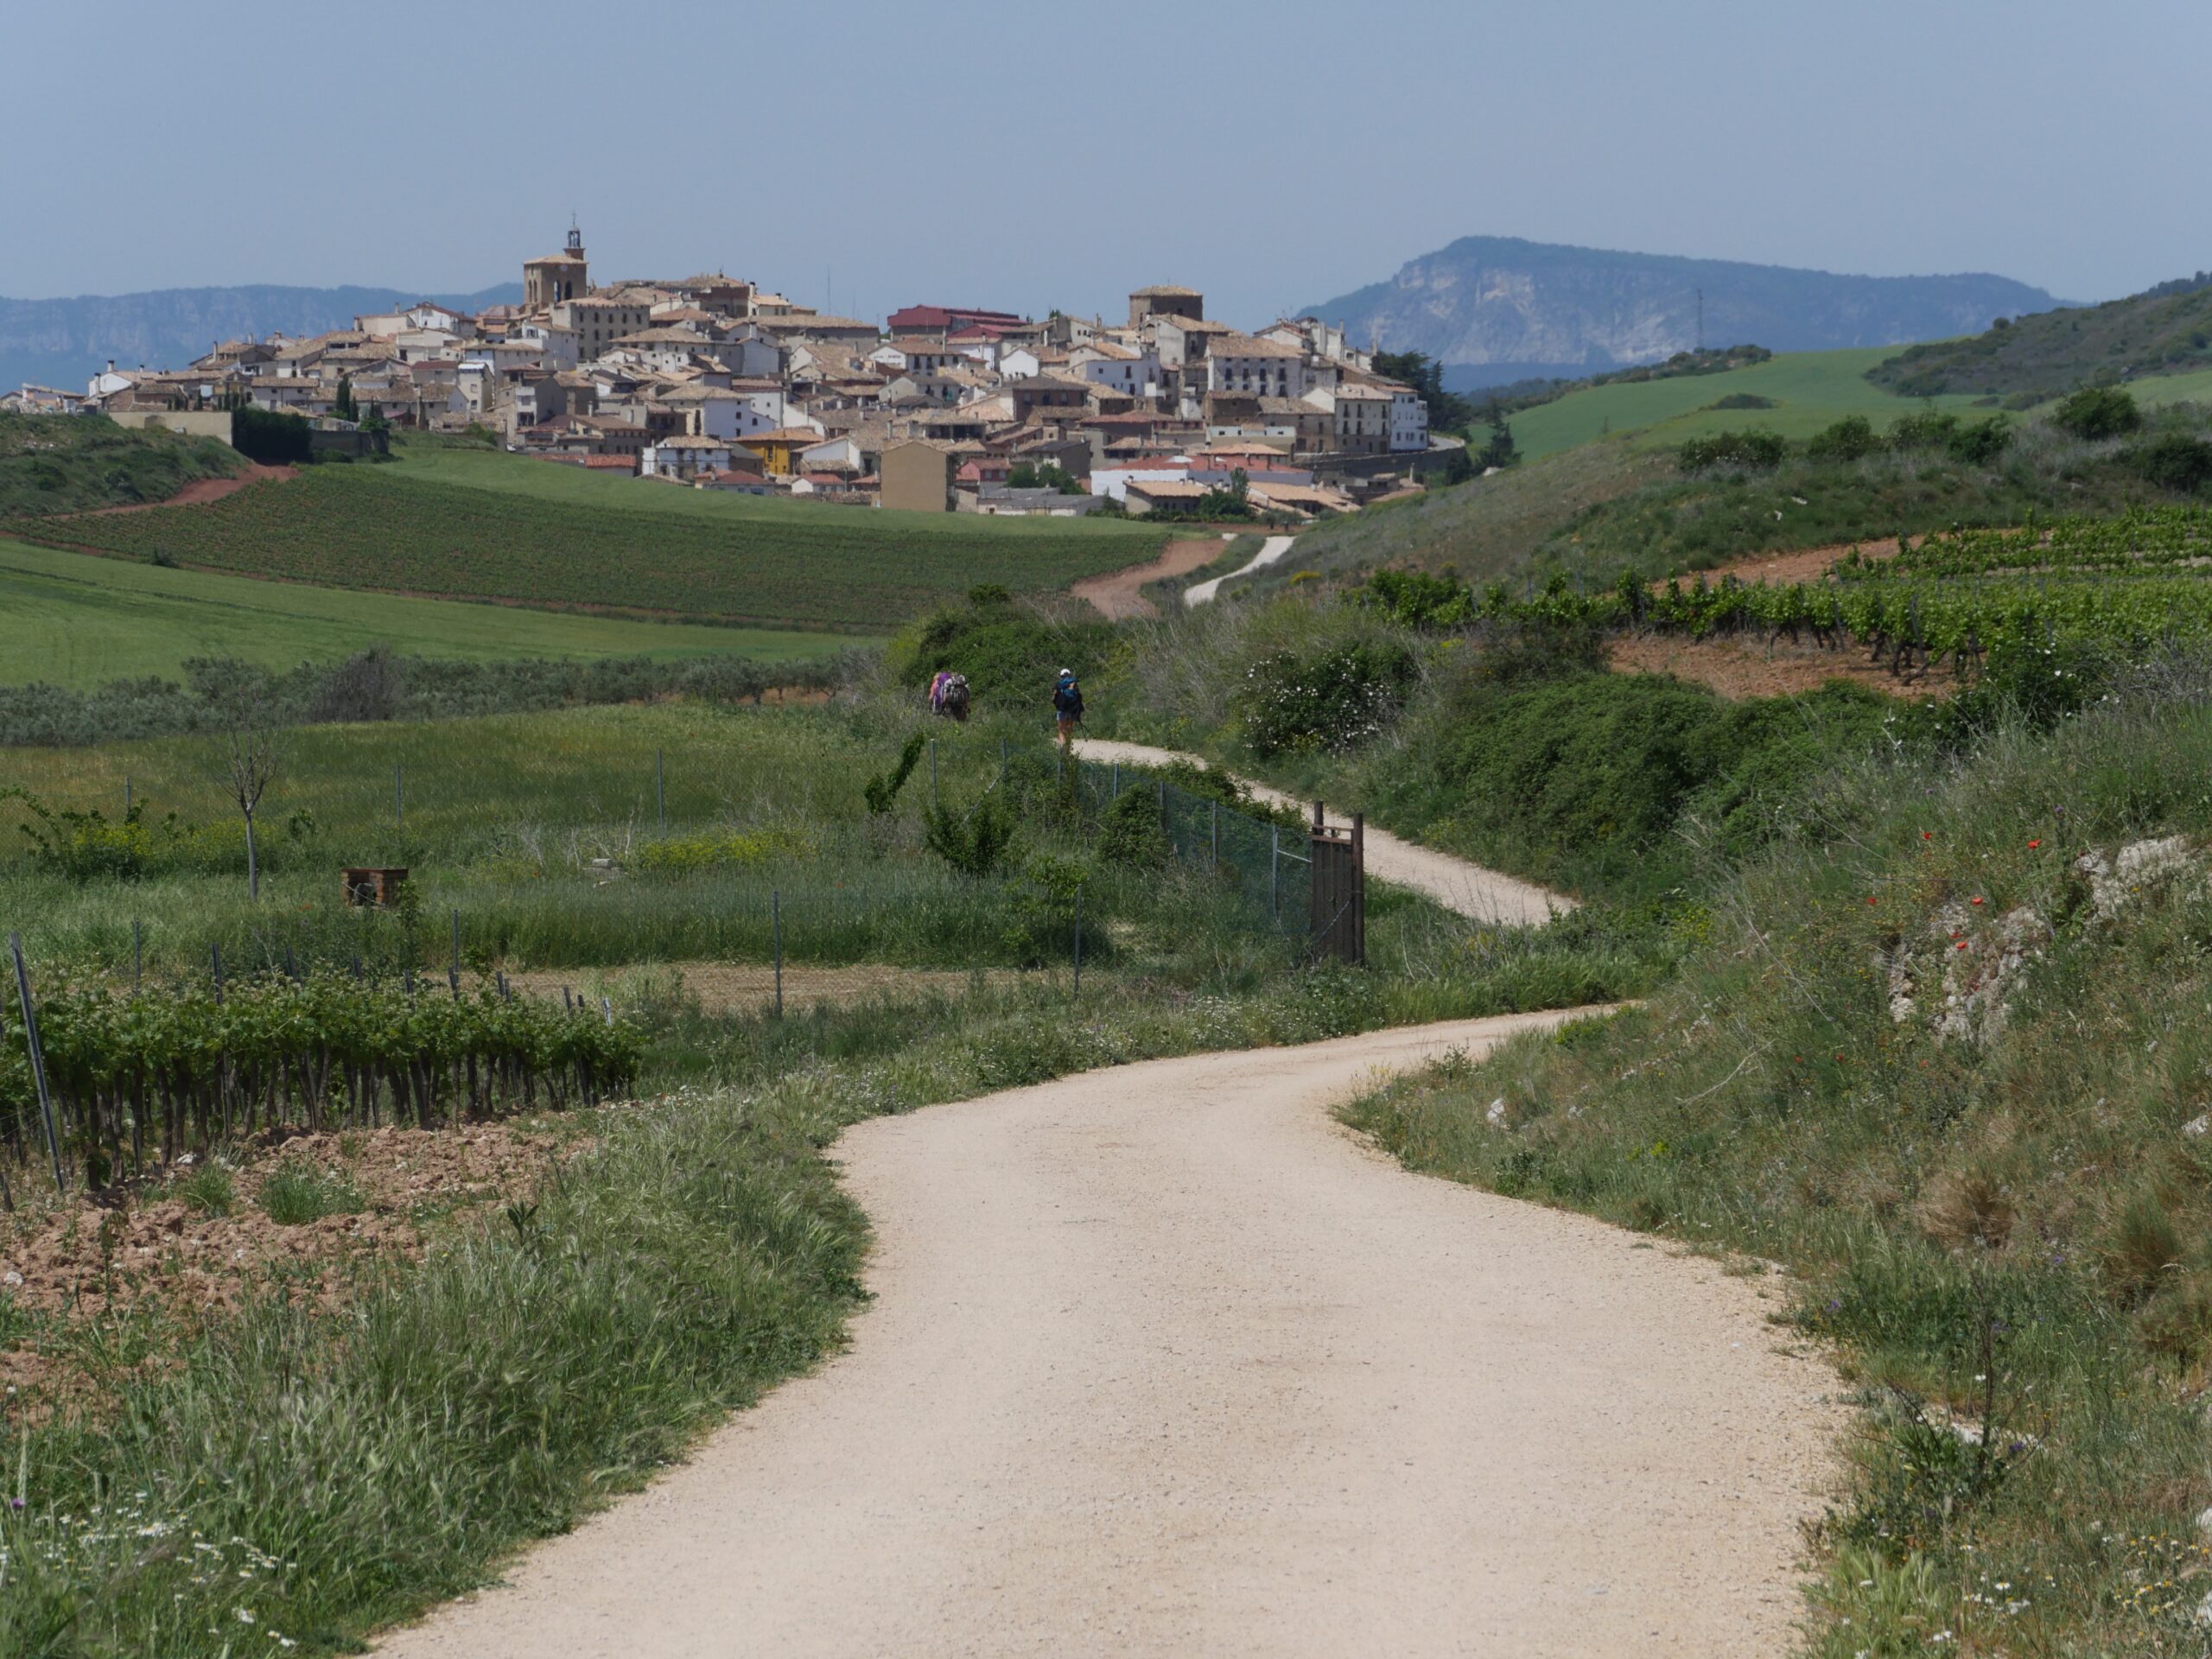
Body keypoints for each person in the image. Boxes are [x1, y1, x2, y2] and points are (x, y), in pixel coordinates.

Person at [1052, 666, 1084, 749]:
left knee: (1061, 730)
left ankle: (1062, 749)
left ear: (1061, 675)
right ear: (1069, 675)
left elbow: (1053, 698)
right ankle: (1068, 750)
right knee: (1069, 730)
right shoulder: (1074, 684)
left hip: (1062, 709)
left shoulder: (1059, 684)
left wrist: (1057, 704)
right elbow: (1078, 697)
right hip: (1072, 710)